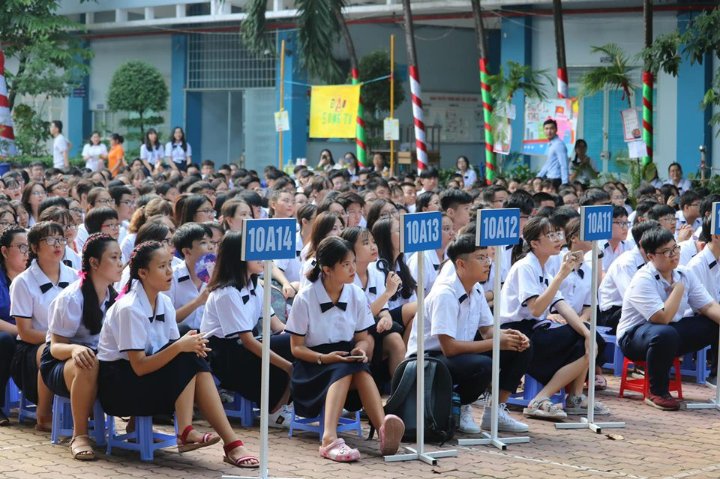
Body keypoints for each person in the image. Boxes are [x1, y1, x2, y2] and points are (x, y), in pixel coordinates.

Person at [96, 240, 259, 468]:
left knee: (193, 354)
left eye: (170, 264)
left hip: (146, 377)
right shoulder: (129, 308)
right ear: (142, 273)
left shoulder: (163, 301)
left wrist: (189, 344)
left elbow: (172, 347)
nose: (170, 272)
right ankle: (206, 436)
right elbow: (139, 366)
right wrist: (181, 346)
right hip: (120, 386)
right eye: (162, 266)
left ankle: (218, 439)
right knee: (186, 353)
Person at [285, 237, 404, 462]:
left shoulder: (356, 294)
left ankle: (383, 431)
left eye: (353, 262)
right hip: (312, 365)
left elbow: (363, 338)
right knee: (345, 368)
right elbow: (296, 349)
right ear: (327, 269)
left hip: (344, 357)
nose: (352, 269)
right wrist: (324, 358)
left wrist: (361, 349)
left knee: (358, 367)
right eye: (345, 264)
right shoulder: (305, 298)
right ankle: (329, 439)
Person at [407, 234, 531, 434]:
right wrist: (496, 342)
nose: (487, 263)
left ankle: (495, 411)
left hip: (458, 354)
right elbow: (449, 348)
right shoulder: (445, 294)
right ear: (461, 264)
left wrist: (509, 335)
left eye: (486, 257)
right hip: (428, 359)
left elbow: (487, 330)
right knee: (482, 366)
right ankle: (461, 407)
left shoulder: (477, 290)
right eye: (480, 258)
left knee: (520, 347)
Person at [499, 217, 609, 420]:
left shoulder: (544, 267)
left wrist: (587, 333)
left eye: (558, 234)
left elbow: (562, 306)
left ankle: (558, 398)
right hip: (515, 329)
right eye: (550, 235)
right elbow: (535, 308)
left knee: (590, 340)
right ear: (534, 243)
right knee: (578, 339)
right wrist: (561, 276)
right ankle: (542, 399)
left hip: (535, 326)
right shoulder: (525, 267)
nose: (558, 239)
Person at [618, 227, 720, 411]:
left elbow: (709, 306)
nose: (674, 255)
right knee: (665, 334)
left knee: (713, 324)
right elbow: (662, 318)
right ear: (650, 257)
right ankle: (657, 392)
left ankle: (715, 376)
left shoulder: (684, 272)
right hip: (634, 337)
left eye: (675, 248)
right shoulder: (643, 279)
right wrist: (679, 290)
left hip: (669, 332)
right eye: (666, 252)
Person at [40, 234, 122, 460]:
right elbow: (55, 347)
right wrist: (75, 349)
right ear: (94, 263)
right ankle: (80, 435)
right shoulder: (71, 298)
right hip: (60, 363)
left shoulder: (117, 298)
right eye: (113, 257)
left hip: (99, 358)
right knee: (88, 362)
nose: (120, 264)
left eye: (120, 257)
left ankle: (136, 425)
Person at [201, 231, 294, 428]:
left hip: (244, 345)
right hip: (223, 354)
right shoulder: (226, 292)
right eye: (255, 252)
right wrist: (287, 365)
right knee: (287, 352)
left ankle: (281, 406)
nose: (262, 258)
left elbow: (276, 325)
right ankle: (274, 411)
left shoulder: (255, 285)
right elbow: (248, 341)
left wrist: (298, 336)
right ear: (239, 256)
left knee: (295, 342)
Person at [10, 221, 77, 431]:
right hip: (32, 348)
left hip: (70, 343)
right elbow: (25, 332)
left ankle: (85, 410)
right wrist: (56, 339)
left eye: (60, 239)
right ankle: (44, 414)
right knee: (51, 352)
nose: (57, 244)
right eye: (49, 240)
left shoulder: (75, 277)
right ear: (35, 247)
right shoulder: (23, 282)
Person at [598, 221, 661, 334]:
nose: (663, 242)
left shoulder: (655, 258)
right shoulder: (626, 263)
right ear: (642, 243)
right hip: (616, 311)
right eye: (659, 239)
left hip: (643, 304)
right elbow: (632, 297)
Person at [0, 226, 27, 426]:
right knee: (5, 341)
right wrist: (22, 331)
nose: (26, 253)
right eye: (21, 247)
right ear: (4, 251)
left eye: (29, 248)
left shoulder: (34, 276)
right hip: (7, 333)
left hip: (31, 333)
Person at [167, 223, 212, 334]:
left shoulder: (217, 275)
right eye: (203, 243)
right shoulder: (171, 277)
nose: (211, 247)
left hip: (211, 337)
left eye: (211, 242)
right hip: (181, 338)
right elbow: (168, 320)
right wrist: (198, 301)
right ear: (187, 251)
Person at [537, 119, 569, 187]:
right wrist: (538, 177)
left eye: (551, 128)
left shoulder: (559, 144)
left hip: (556, 179)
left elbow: (564, 164)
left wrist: (565, 183)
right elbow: (548, 163)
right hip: (549, 178)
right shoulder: (551, 144)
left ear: (556, 129)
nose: (549, 131)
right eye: (546, 129)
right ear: (544, 130)